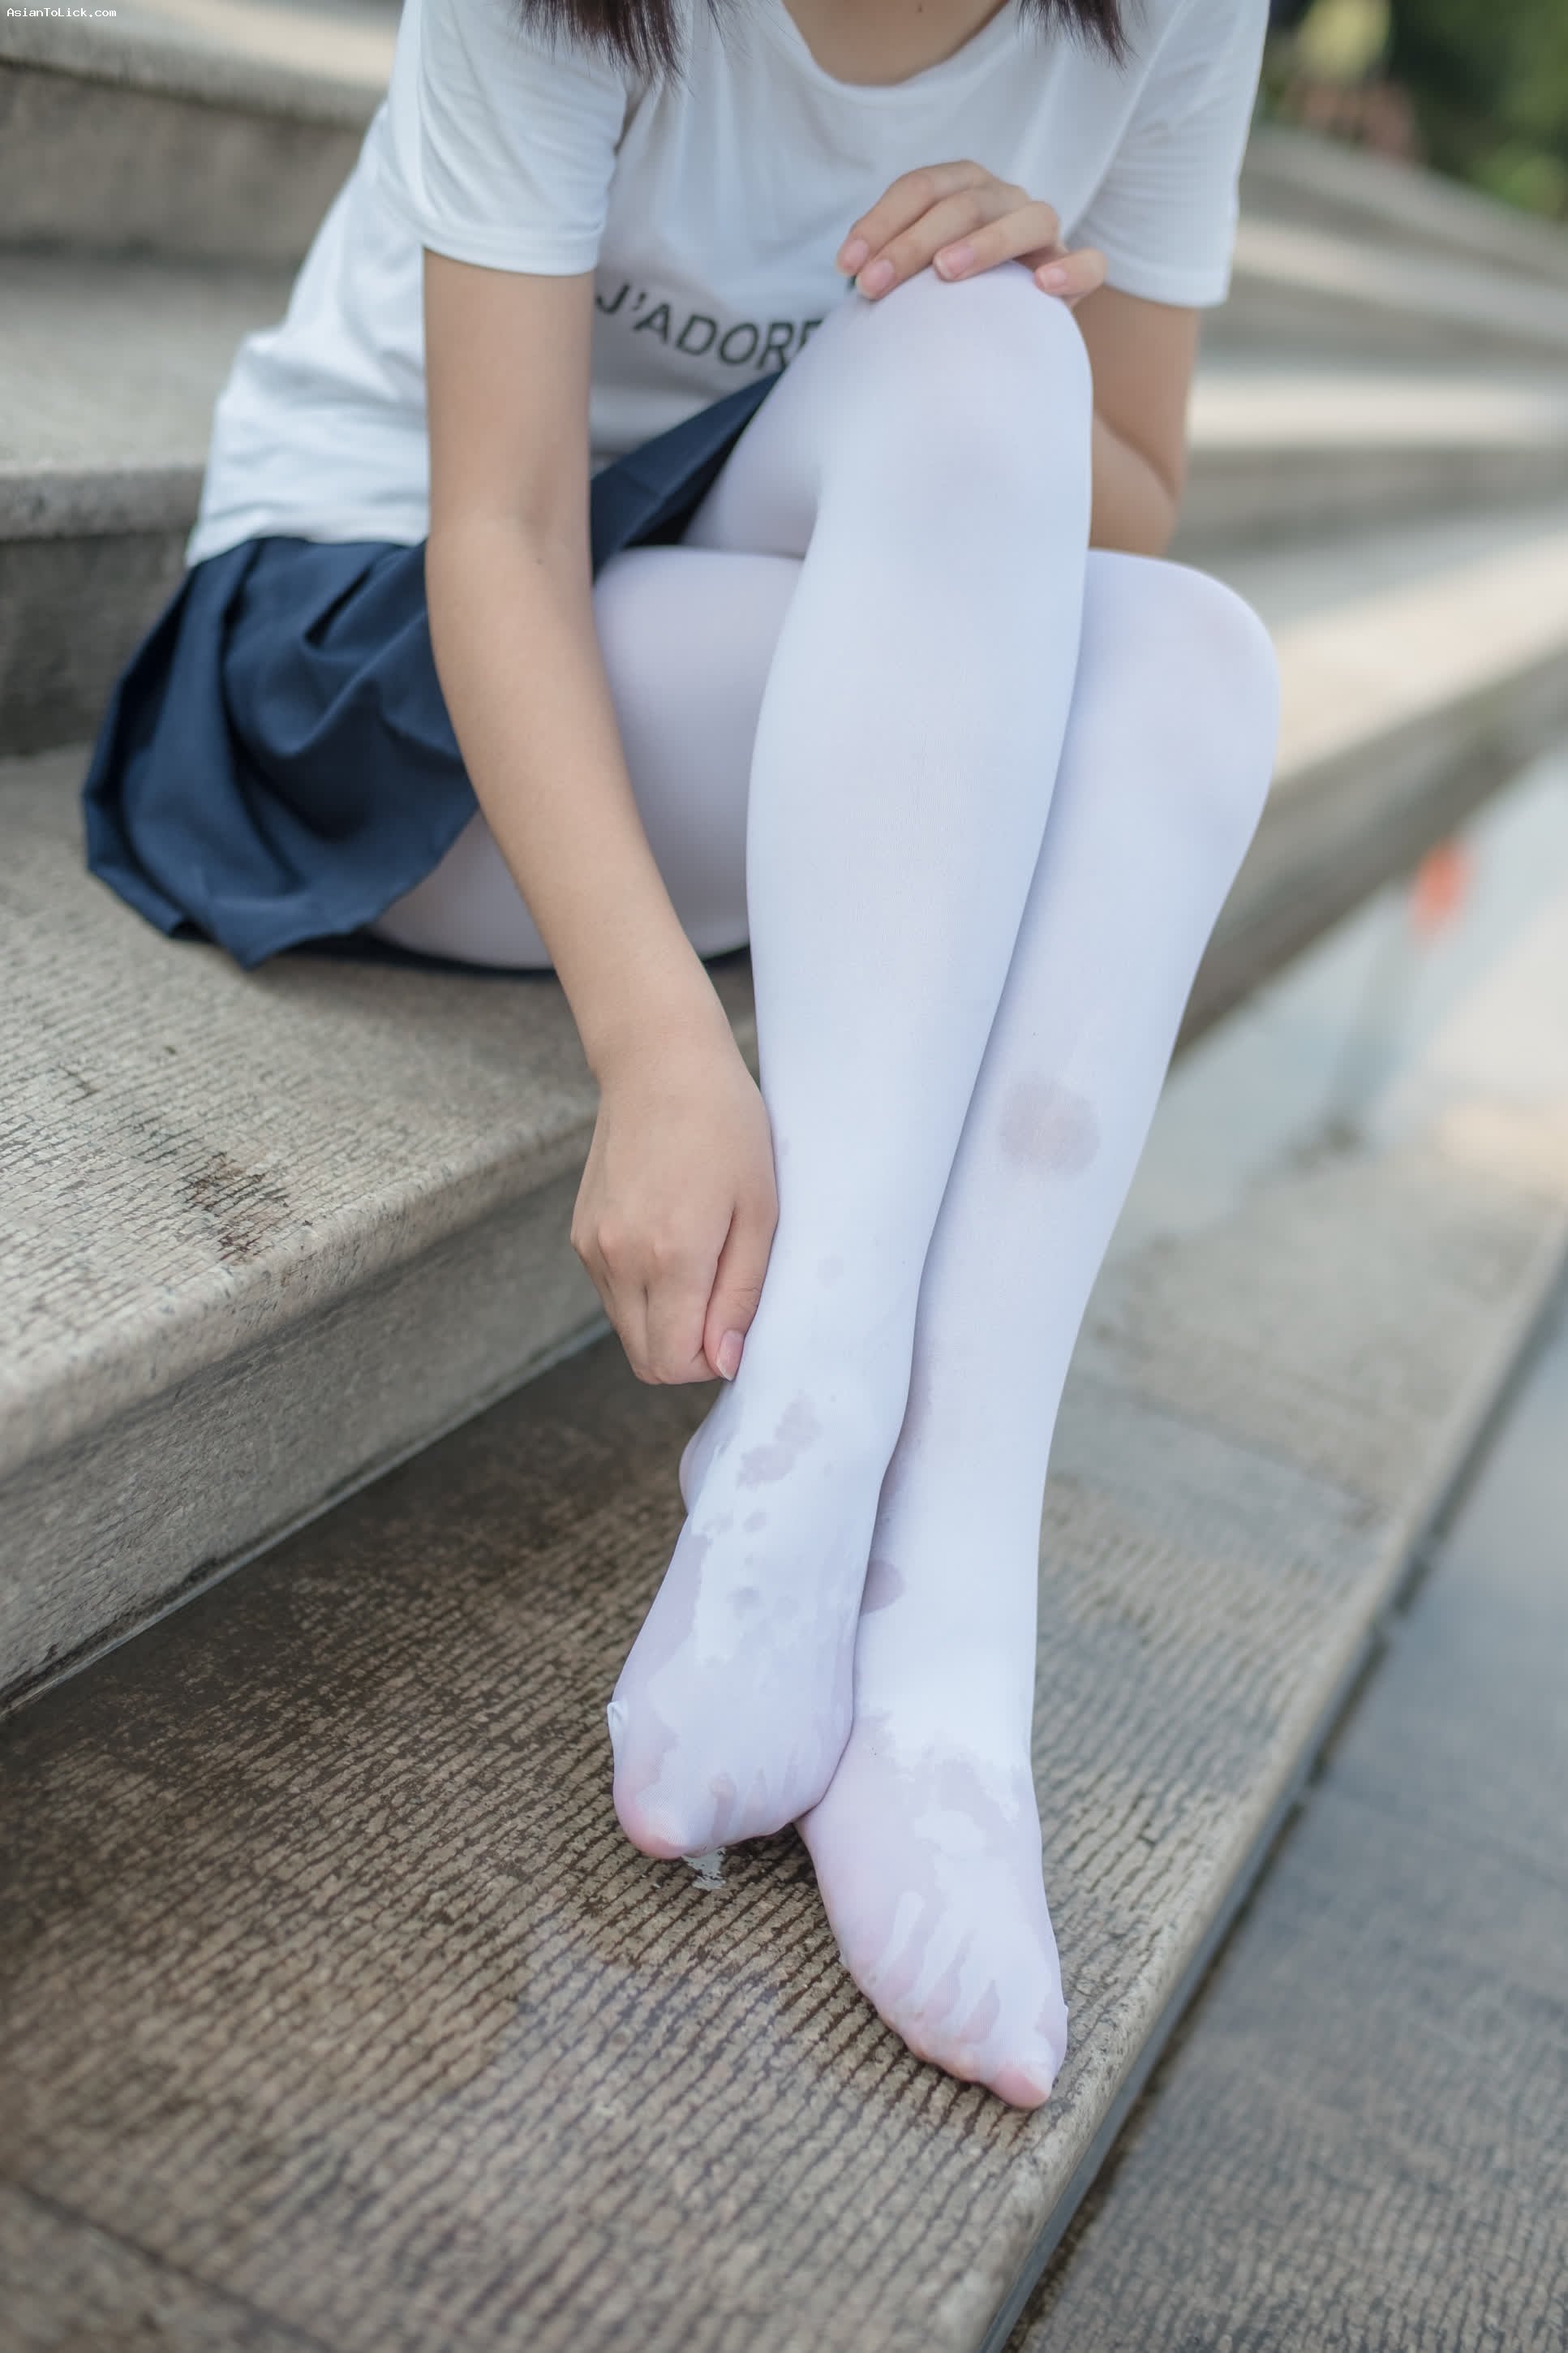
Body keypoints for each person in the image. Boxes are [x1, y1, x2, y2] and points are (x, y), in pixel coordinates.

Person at [84, 0, 1281, 2109]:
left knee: (1180, 646)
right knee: (1044, 483)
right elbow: (499, 527)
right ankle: (814, 1444)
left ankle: (934, 1628)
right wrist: (656, 1047)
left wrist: (1022, 290)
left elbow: (1140, 495)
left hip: (775, 642)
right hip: (386, 650)